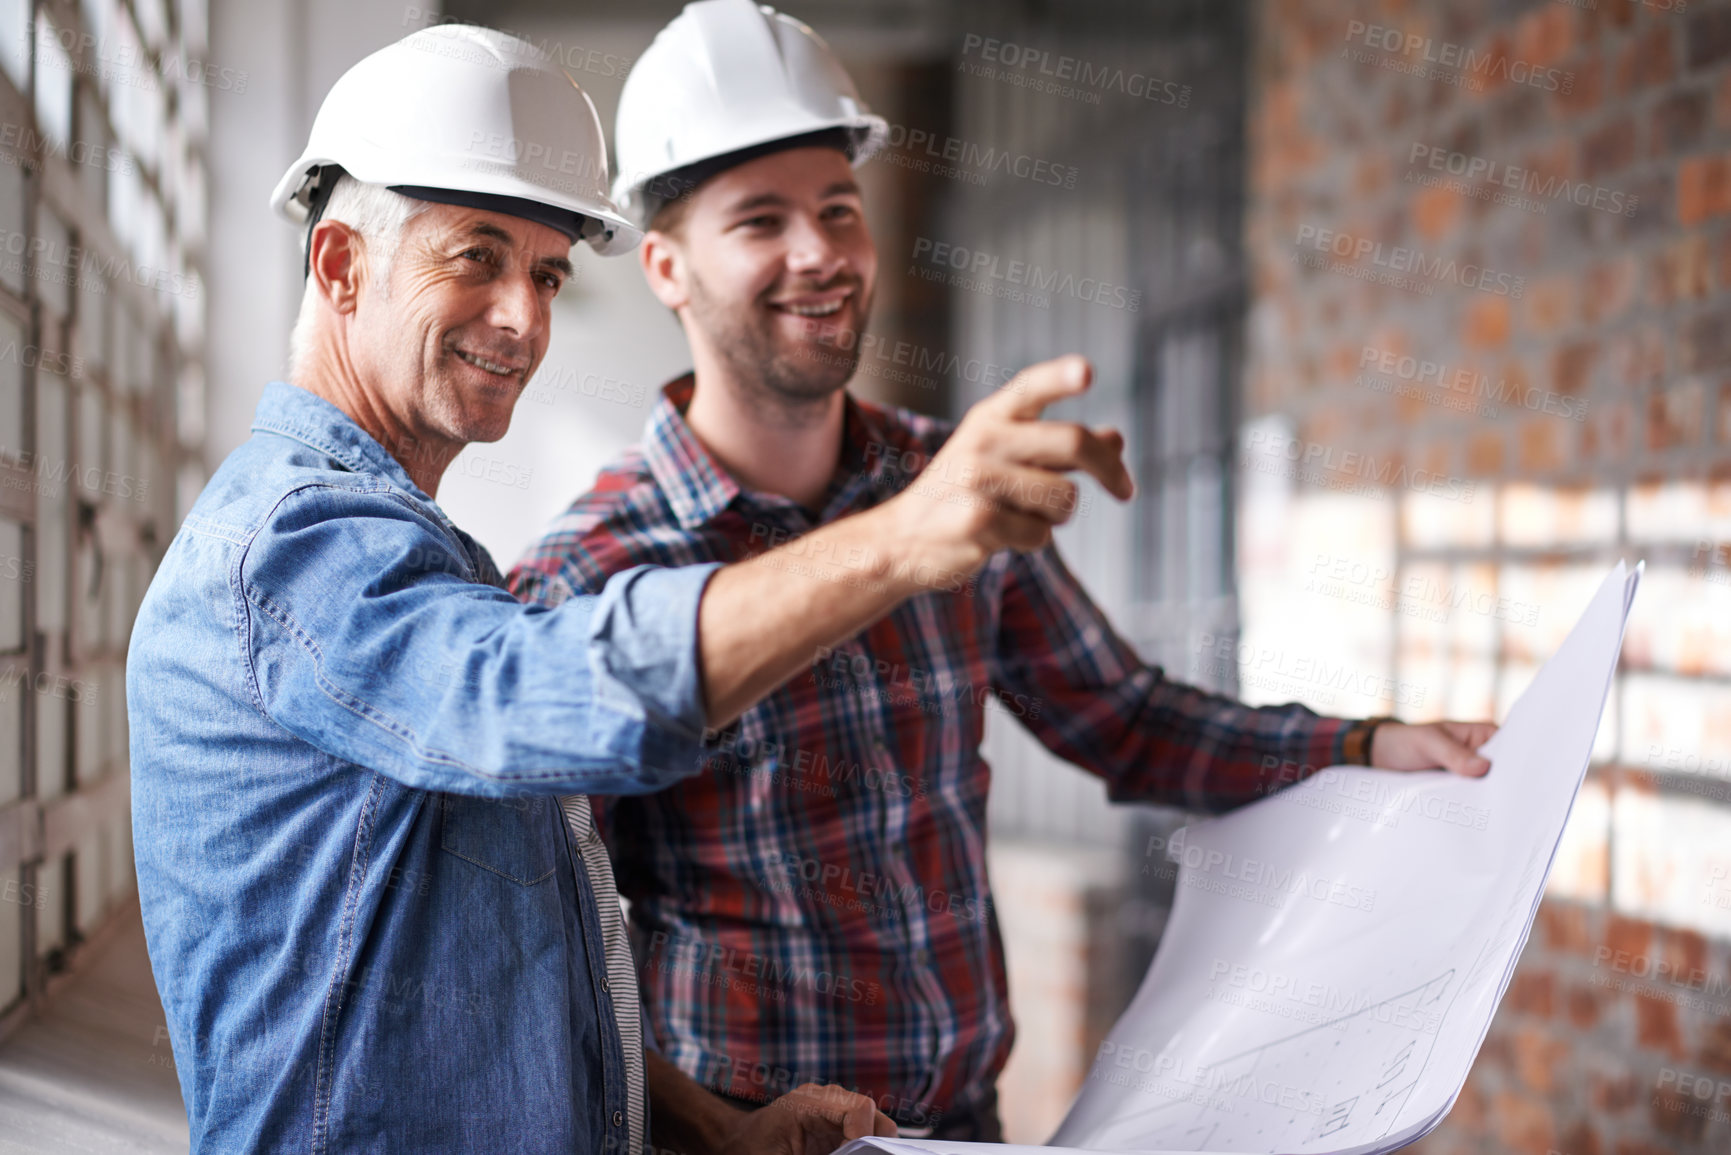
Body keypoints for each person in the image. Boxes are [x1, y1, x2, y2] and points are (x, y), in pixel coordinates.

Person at [508, 0, 1500, 1143]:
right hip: (743, 1138)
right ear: (669, 269)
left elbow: (1124, 722)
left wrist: (1366, 746)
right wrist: (699, 1129)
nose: (819, 251)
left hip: (965, 1122)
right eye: (761, 221)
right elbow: (560, 947)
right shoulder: (590, 577)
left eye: (840, 208)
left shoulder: (954, 484)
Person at [127, 24, 1126, 1154]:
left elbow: (530, 977)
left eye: (547, 273)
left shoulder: (414, 555)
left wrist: (713, 1129)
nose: (525, 317)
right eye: (476, 256)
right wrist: (898, 542)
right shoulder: (290, 549)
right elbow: (541, 688)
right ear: (343, 266)